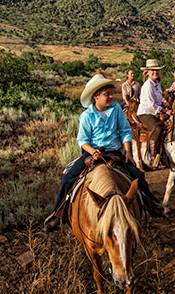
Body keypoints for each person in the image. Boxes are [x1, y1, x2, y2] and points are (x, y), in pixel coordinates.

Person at [43, 74, 163, 232]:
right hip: (93, 152)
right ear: (96, 96)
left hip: (113, 151)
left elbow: (125, 131)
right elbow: (82, 140)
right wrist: (93, 152)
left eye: (110, 93)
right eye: (107, 94)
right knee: (68, 178)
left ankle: (151, 204)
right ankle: (57, 214)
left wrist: (127, 152)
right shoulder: (86, 116)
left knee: (138, 175)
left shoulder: (116, 110)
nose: (111, 97)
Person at [136, 59, 169, 167]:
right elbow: (151, 104)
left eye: (156, 70)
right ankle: (153, 158)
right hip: (145, 112)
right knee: (158, 128)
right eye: (152, 70)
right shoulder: (148, 85)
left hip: (154, 111)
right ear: (147, 72)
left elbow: (159, 100)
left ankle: (163, 156)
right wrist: (164, 110)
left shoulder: (157, 84)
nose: (155, 72)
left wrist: (164, 103)